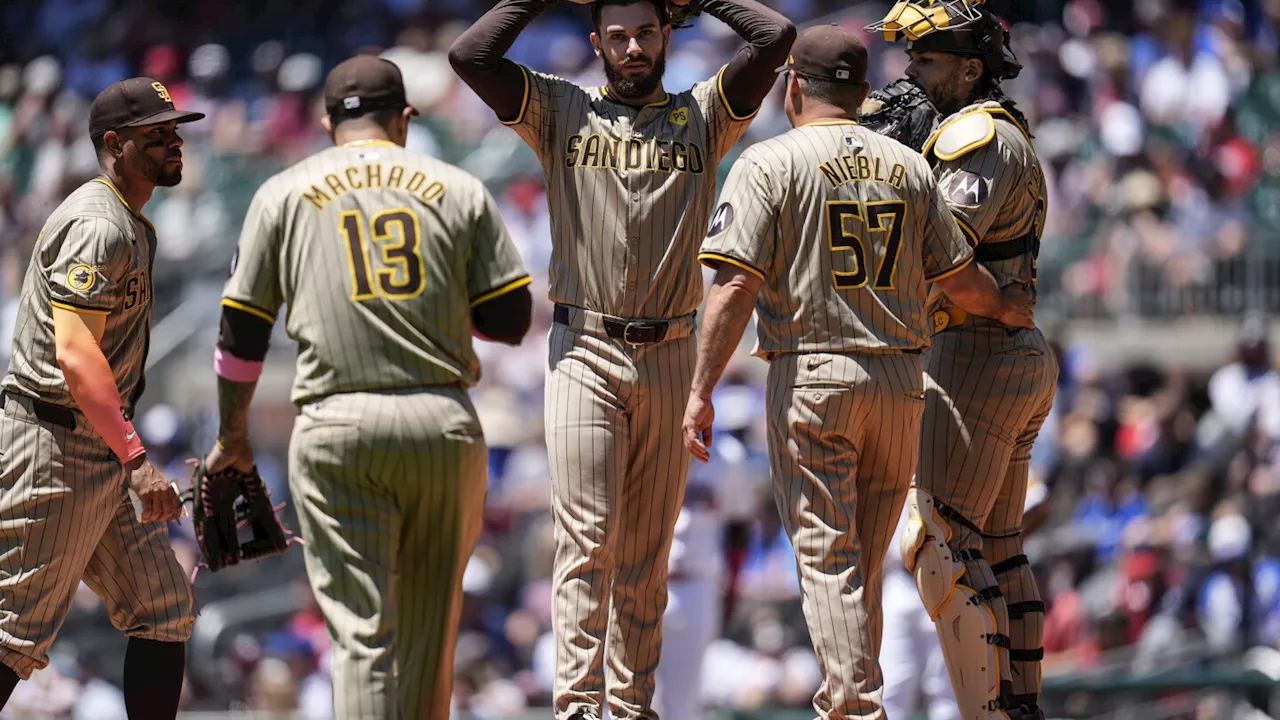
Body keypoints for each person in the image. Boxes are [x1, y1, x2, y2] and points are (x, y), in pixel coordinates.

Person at [450, 1, 794, 718]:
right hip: (584, 347)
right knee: (586, 544)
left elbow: (776, 38)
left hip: (671, 351)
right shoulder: (561, 107)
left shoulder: (706, 111)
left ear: (668, 33)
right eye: (617, 35)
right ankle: (578, 709)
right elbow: (470, 59)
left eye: (644, 32)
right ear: (595, 42)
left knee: (644, 562)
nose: (632, 47)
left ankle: (632, 708)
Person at [682, 24, 1034, 720]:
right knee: (863, 568)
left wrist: (699, 388)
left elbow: (731, 288)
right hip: (901, 382)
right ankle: (860, 702)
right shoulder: (905, 165)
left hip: (815, 374)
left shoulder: (770, 162)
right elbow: (960, 277)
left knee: (827, 560)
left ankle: (852, 710)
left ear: (792, 90)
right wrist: (1009, 308)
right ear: (863, 92)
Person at [201, 55, 533, 719]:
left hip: (336, 426)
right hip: (441, 423)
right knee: (429, 638)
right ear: (404, 120)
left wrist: (233, 437)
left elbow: (240, 334)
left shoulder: (283, 193)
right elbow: (511, 320)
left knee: (362, 638)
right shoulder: (457, 186)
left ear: (327, 123)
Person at [866, 1, 1059, 716]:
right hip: (1002, 350)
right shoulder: (979, 132)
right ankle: (1020, 704)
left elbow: (936, 256)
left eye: (925, 60)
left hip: (975, 350)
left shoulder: (977, 136)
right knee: (998, 547)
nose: (909, 72)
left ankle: (991, 714)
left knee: (938, 537)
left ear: (970, 69)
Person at [0, 76, 201, 717]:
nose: (175, 143)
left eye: (175, 131)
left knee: (164, 609)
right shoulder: (98, 225)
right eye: (157, 135)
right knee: (13, 635)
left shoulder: (125, 219)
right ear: (114, 143)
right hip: (55, 443)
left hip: (99, 445)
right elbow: (76, 354)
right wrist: (139, 461)